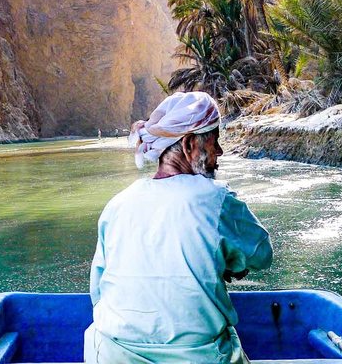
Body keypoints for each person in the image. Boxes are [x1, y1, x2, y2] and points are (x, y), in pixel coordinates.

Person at [84, 91, 273, 364]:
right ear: (188, 145)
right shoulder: (214, 198)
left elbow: (98, 292)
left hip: (111, 354)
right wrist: (232, 263)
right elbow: (262, 256)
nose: (218, 151)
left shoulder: (117, 204)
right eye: (214, 141)